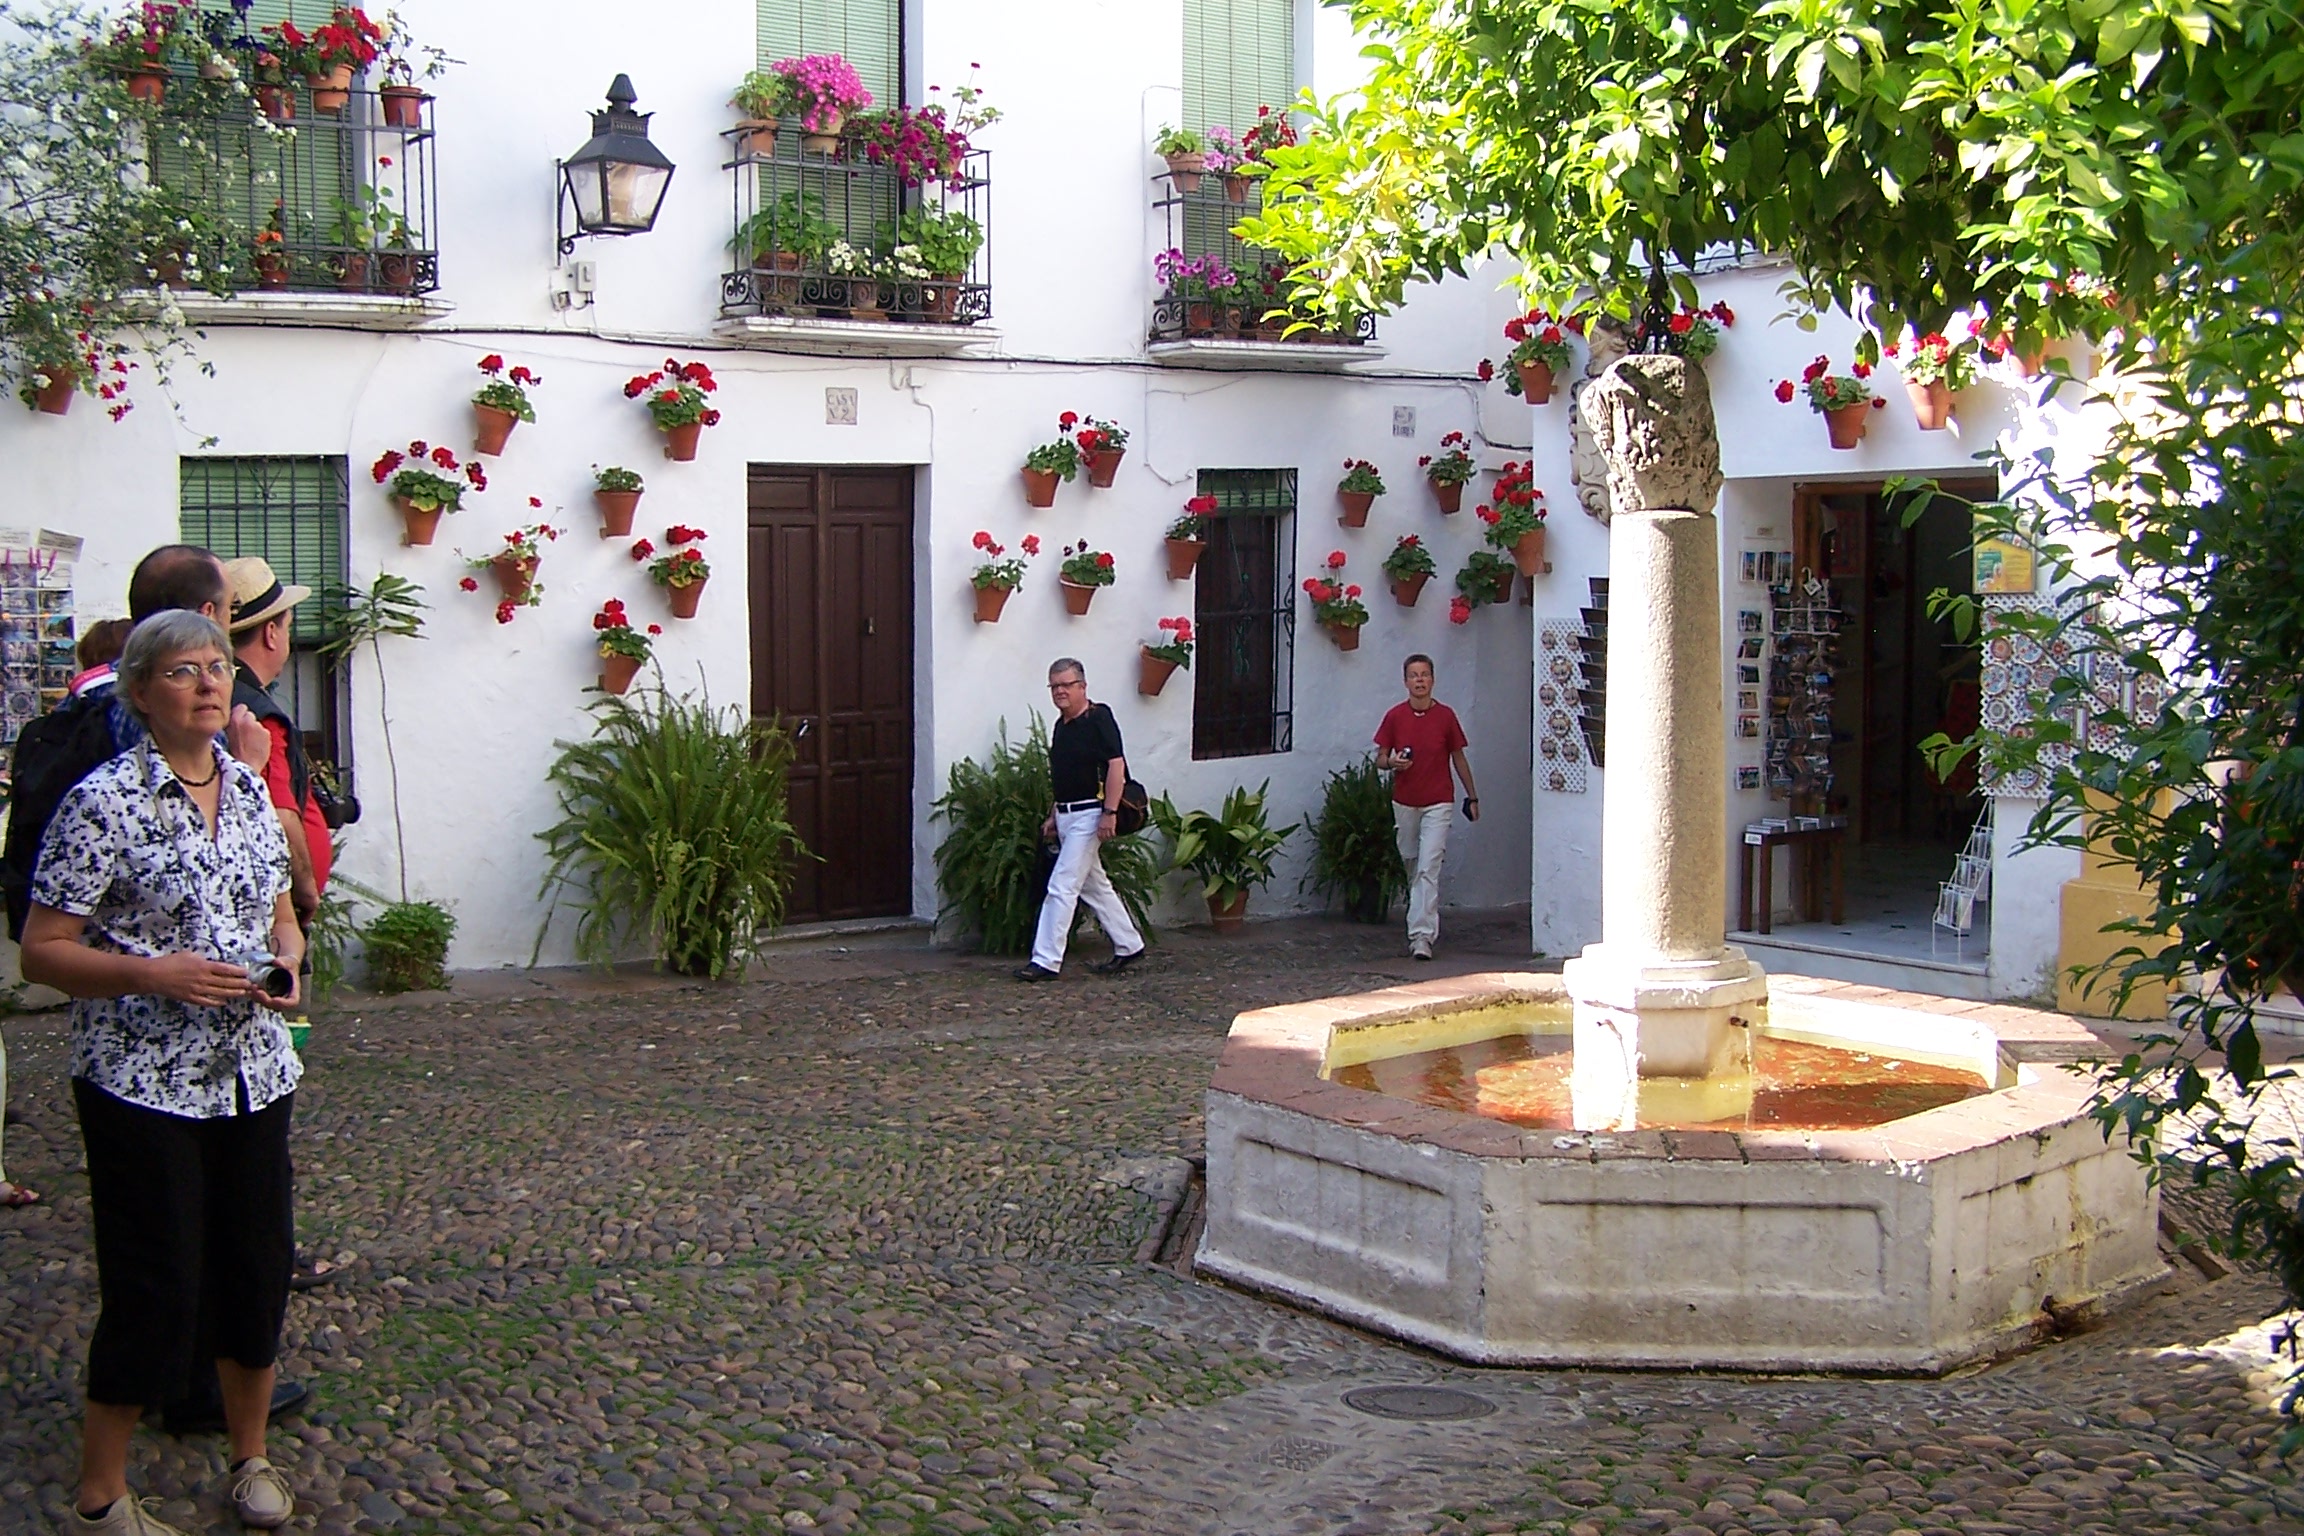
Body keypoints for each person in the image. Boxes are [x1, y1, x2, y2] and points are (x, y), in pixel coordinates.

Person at [19, 611, 304, 1534]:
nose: (212, 684)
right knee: (156, 1281)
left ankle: (250, 1456)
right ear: (142, 692)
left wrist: (288, 965)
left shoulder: (252, 792)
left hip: (250, 1074)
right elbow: (42, 951)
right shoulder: (102, 802)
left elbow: (280, 913)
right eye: (186, 671)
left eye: (218, 667)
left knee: (254, 1268)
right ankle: (102, 1495)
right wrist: (153, 974)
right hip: (139, 1081)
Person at [1017, 657, 1146, 981]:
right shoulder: (1061, 726)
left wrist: (1110, 813)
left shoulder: (1098, 718)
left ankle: (1045, 960)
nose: (1060, 691)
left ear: (1082, 687)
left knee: (1062, 885)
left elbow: (1116, 766)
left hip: (1091, 813)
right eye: (1055, 686)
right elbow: (1065, 775)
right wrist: (1053, 814)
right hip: (1067, 814)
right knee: (1095, 886)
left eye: (1066, 685)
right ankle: (1129, 945)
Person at [226, 560, 328, 927]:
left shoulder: (231, 693)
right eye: (287, 626)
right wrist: (305, 886)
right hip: (272, 910)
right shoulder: (255, 713)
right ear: (271, 633)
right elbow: (278, 810)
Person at [1373, 653, 1480, 960]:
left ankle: (1422, 936)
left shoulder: (1446, 717)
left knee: (1428, 868)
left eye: (1424, 674)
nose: (1419, 680)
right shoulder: (1395, 716)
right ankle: (1419, 917)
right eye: (1413, 675)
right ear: (1405, 681)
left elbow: (1458, 756)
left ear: (1432, 679)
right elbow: (1380, 758)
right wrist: (1391, 762)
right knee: (1411, 862)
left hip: (1438, 801)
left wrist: (1472, 796)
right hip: (1405, 801)